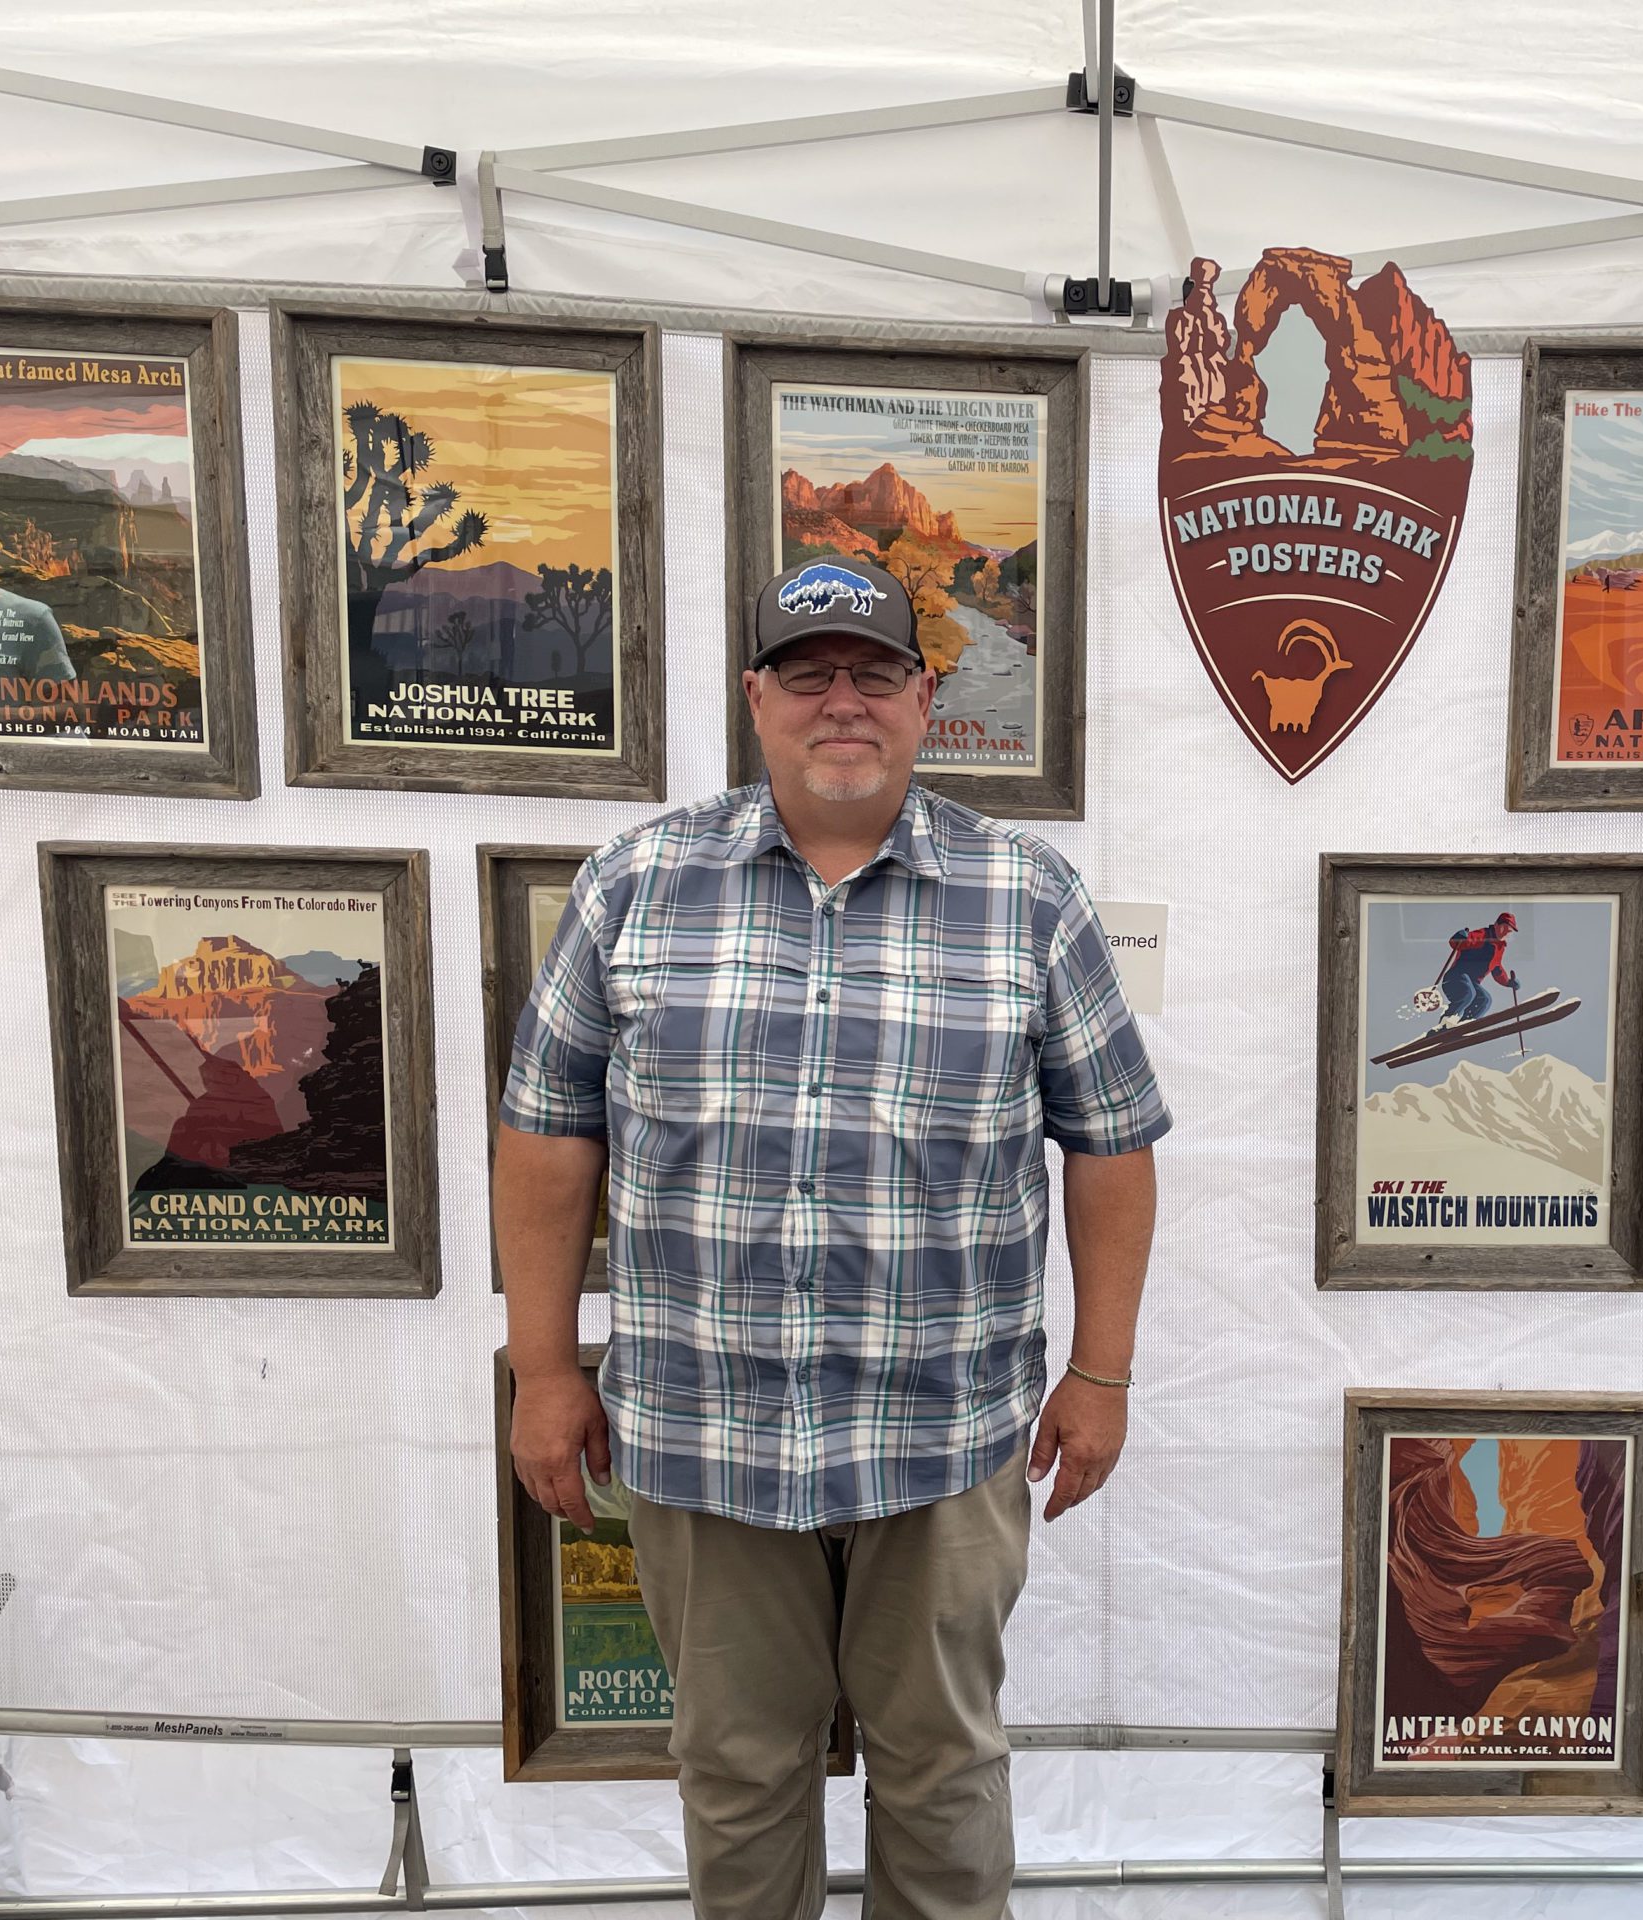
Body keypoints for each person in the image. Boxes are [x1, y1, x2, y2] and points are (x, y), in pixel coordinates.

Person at [494, 552, 1170, 1920]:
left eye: (874, 675)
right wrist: (547, 1370)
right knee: (737, 1775)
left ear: (927, 699)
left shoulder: (1029, 898)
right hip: (703, 1430)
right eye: (809, 678)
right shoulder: (633, 887)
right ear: (758, 699)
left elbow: (1111, 1144)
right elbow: (548, 1135)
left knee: (942, 1771)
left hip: (944, 1433)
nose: (841, 705)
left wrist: (1100, 1375)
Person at [1436, 911, 1520, 1028]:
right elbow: (1459, 942)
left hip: (1472, 983)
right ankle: (1445, 1024)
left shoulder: (1499, 948)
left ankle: (1465, 1025)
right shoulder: (1483, 935)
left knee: (1484, 1000)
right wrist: (1459, 937)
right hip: (1455, 977)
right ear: (1496, 925)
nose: (1506, 932)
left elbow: (1497, 969)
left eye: (1509, 931)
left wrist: (1508, 982)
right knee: (1468, 993)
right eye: (1504, 928)